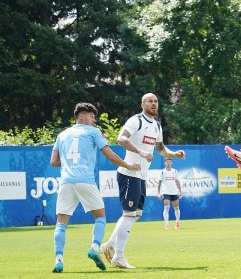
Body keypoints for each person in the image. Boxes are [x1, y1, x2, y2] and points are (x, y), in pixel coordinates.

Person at [49, 102, 141, 273]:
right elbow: (110, 155)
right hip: (85, 180)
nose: (93, 120)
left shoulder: (62, 134)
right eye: (91, 116)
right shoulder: (93, 132)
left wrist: (70, 163)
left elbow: (53, 162)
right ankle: (94, 248)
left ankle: (59, 260)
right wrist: (127, 165)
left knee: (61, 223)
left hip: (66, 182)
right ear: (81, 116)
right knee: (100, 217)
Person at [100, 93, 186, 269]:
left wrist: (173, 154)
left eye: (156, 101)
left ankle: (109, 245)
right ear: (142, 104)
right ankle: (118, 257)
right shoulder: (136, 120)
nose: (153, 104)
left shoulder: (157, 125)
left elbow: (160, 149)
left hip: (141, 176)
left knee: (136, 215)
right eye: (150, 101)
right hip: (129, 172)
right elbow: (121, 139)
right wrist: (140, 152)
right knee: (129, 214)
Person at [157, 158, 182, 229]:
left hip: (174, 192)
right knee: (166, 208)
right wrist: (158, 193)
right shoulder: (162, 172)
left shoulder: (175, 171)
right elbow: (159, 183)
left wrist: (180, 191)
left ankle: (177, 222)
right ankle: (167, 224)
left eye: (169, 162)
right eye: (167, 162)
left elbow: (177, 181)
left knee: (176, 208)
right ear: (165, 163)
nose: (168, 163)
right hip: (166, 192)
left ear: (171, 163)